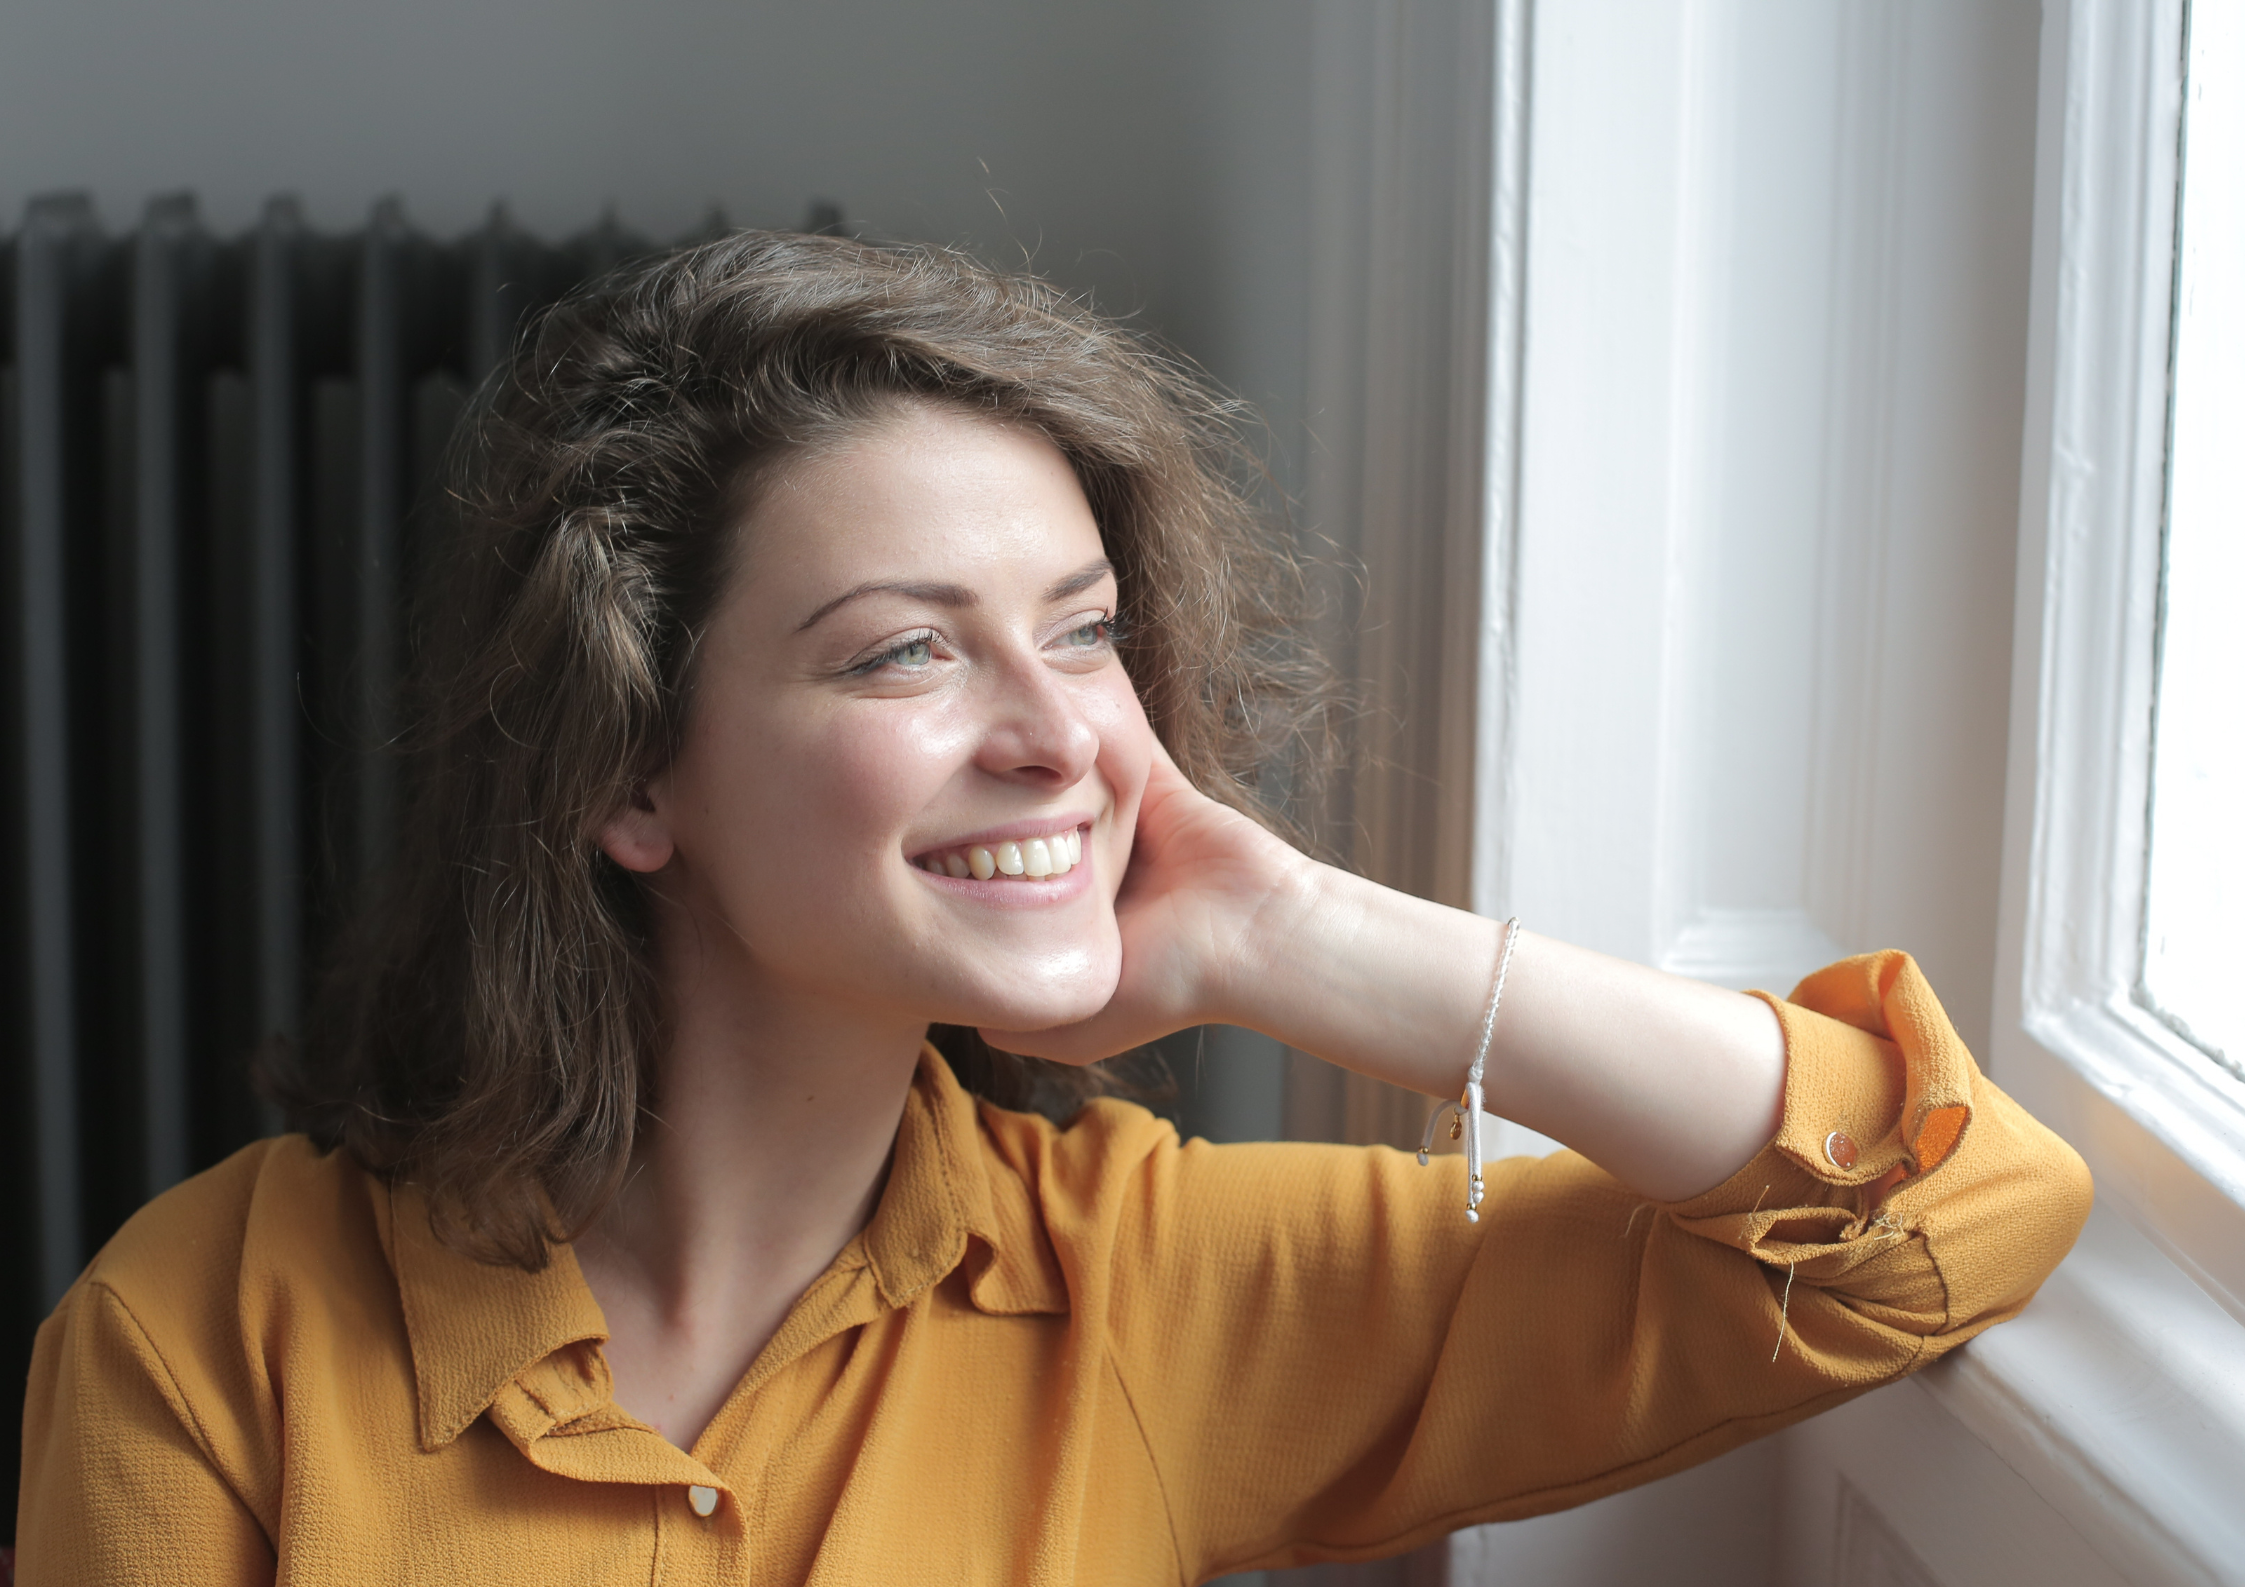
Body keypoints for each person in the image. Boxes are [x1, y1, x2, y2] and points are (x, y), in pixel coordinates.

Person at [15, 232, 2090, 1584]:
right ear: (629, 771)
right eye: (906, 652)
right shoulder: (206, 1339)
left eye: (1082, 636)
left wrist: (1308, 937)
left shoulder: (1152, 1284)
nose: (1060, 736)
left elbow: (1947, 1217)